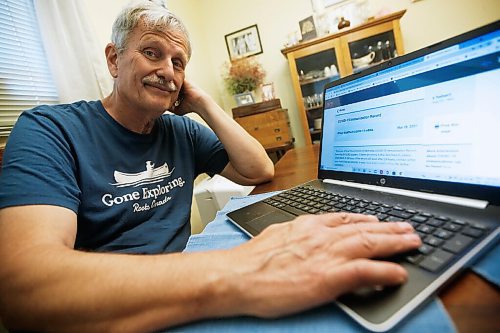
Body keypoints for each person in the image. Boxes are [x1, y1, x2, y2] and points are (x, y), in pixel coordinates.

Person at [0, 2, 422, 332]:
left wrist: (201, 102)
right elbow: (21, 288)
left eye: (178, 62)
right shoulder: (49, 129)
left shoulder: (179, 131)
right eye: (152, 53)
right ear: (113, 60)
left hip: (191, 284)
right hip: (117, 308)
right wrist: (242, 270)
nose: (167, 71)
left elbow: (260, 170)